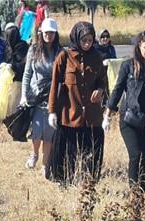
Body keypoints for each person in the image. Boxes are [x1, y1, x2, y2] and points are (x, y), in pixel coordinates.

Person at [105, 29, 145, 193]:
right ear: (139, 46)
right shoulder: (128, 65)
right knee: (136, 155)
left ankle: (141, 194)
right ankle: (134, 195)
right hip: (129, 119)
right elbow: (117, 90)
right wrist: (107, 115)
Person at [47, 21, 107, 187]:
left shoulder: (96, 57)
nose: (87, 44)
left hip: (91, 117)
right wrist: (52, 111)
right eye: (84, 40)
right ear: (76, 38)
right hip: (69, 115)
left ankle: (88, 185)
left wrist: (100, 90)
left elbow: (103, 81)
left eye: (90, 40)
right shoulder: (64, 56)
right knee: (67, 154)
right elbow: (54, 86)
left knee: (91, 154)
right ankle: (64, 183)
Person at [21, 18, 61, 176]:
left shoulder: (59, 52)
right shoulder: (33, 50)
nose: (49, 36)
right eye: (46, 33)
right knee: (37, 130)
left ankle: (45, 164)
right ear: (41, 33)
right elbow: (27, 74)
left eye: (51, 33)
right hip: (35, 96)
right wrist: (23, 96)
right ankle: (34, 154)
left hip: (52, 96)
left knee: (49, 133)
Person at [4, 22, 29, 109]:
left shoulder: (22, 46)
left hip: (18, 81)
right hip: (9, 81)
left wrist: (11, 66)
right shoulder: (7, 47)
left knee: (15, 107)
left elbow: (21, 64)